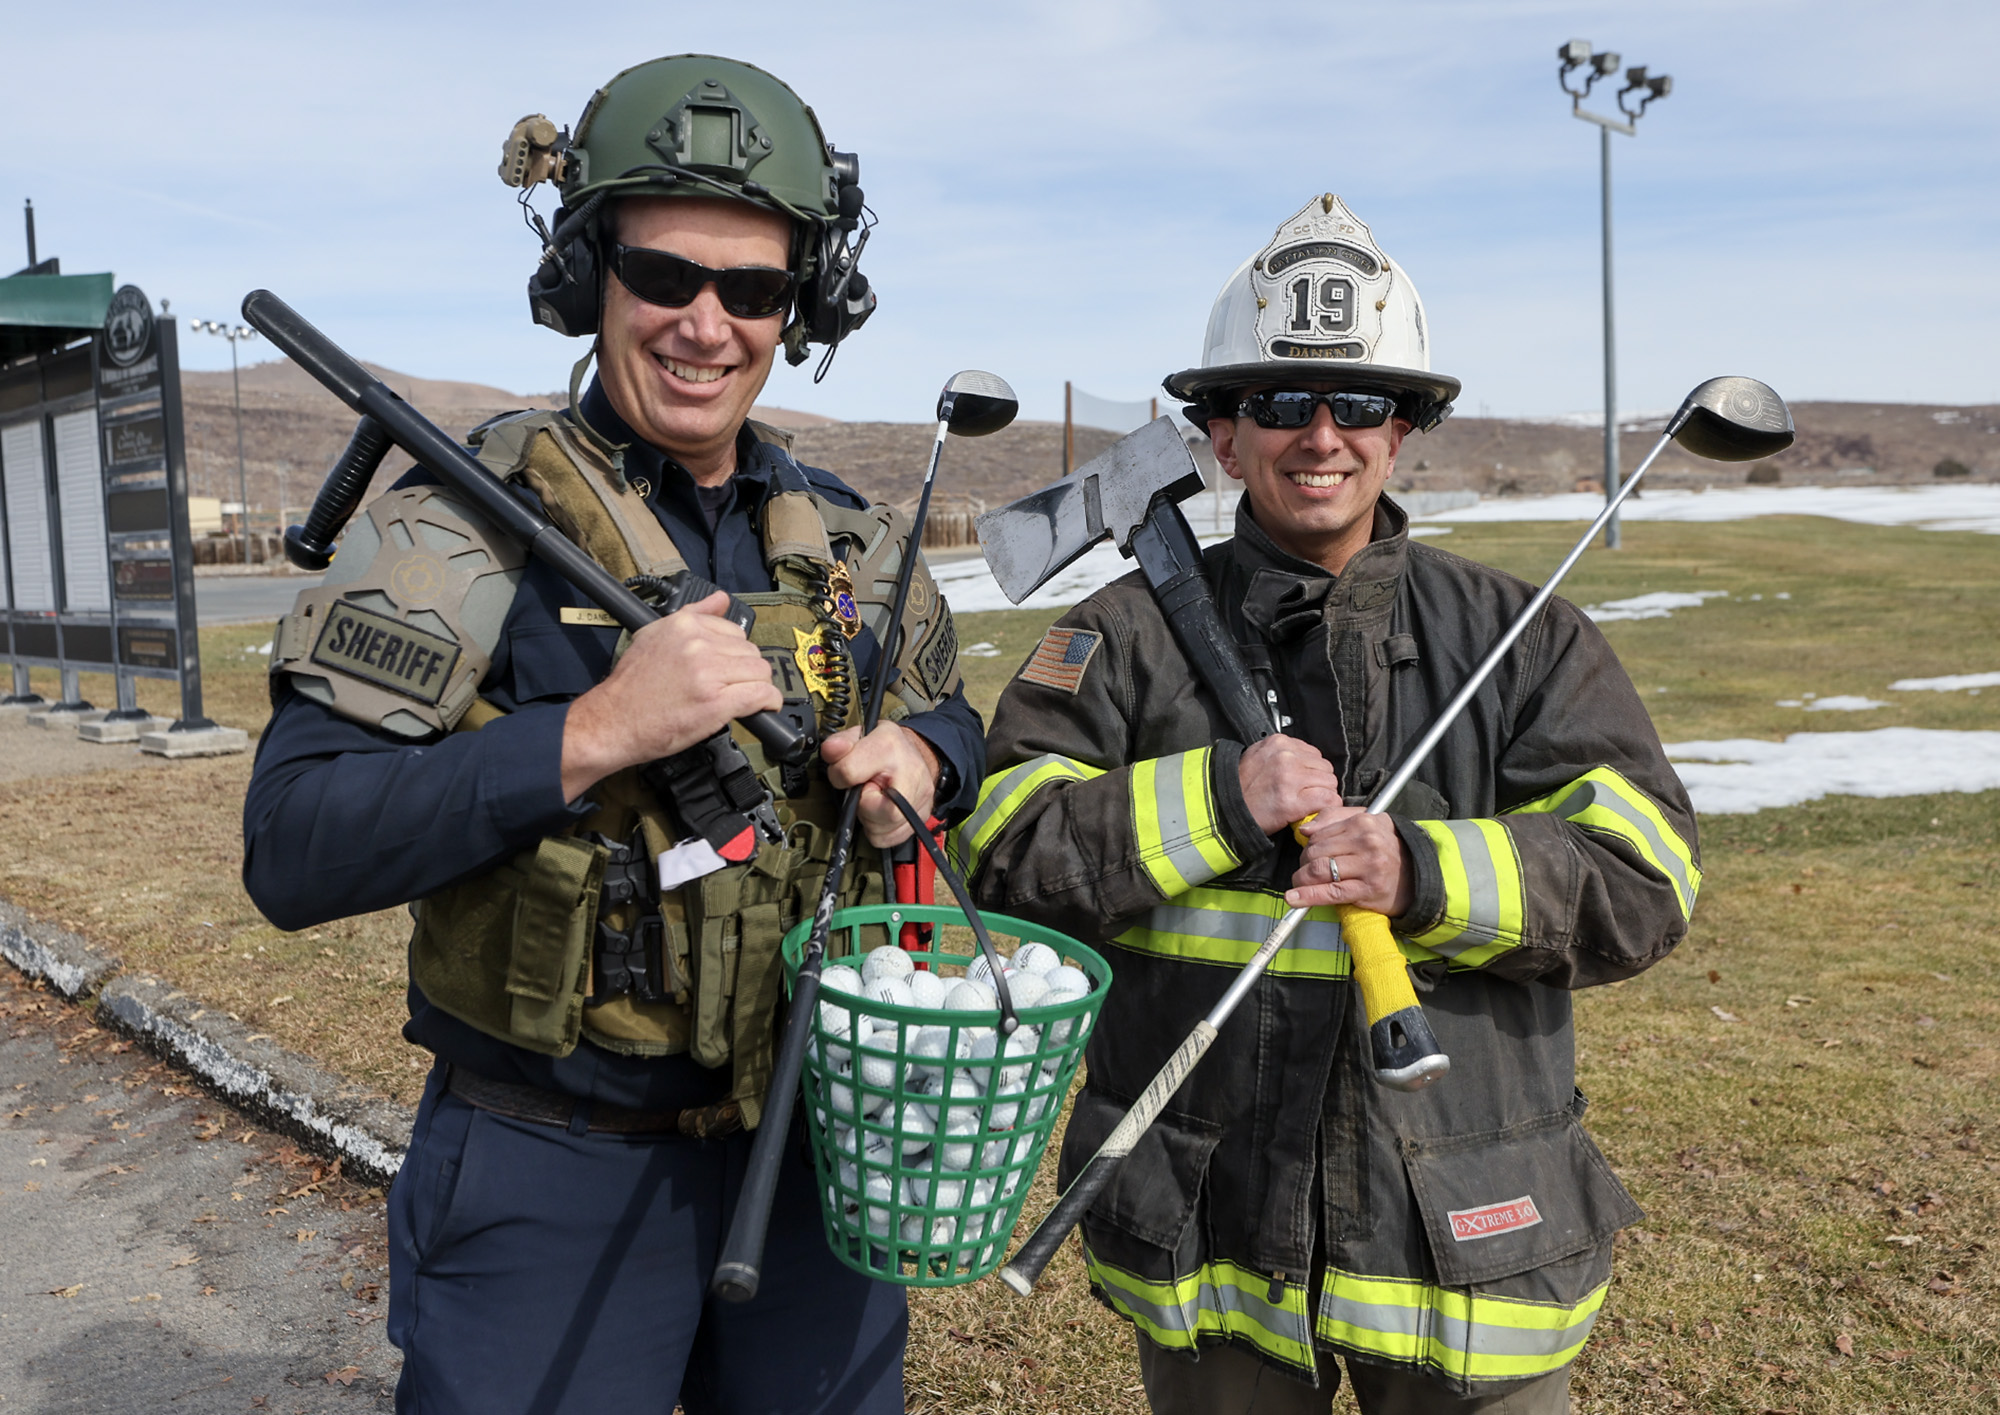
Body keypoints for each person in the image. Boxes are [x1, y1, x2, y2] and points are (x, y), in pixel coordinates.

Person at [242, 55, 983, 1414]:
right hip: (552, 1171)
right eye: (665, 277)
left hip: (821, 1157)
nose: (707, 324)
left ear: (798, 307)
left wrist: (928, 763)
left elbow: (953, 717)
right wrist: (587, 731)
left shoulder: (852, 541)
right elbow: (293, 844)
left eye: (754, 289)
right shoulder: (457, 525)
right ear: (593, 275)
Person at [958, 194, 1700, 1413]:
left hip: (1468, 1237)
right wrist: (1216, 798)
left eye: (1358, 403)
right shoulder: (1116, 639)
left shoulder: (1523, 638)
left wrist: (1421, 872)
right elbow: (1001, 848)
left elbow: (1644, 876)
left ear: (1401, 430)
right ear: (1215, 433)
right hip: (1212, 1228)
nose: (1320, 436)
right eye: (1275, 402)